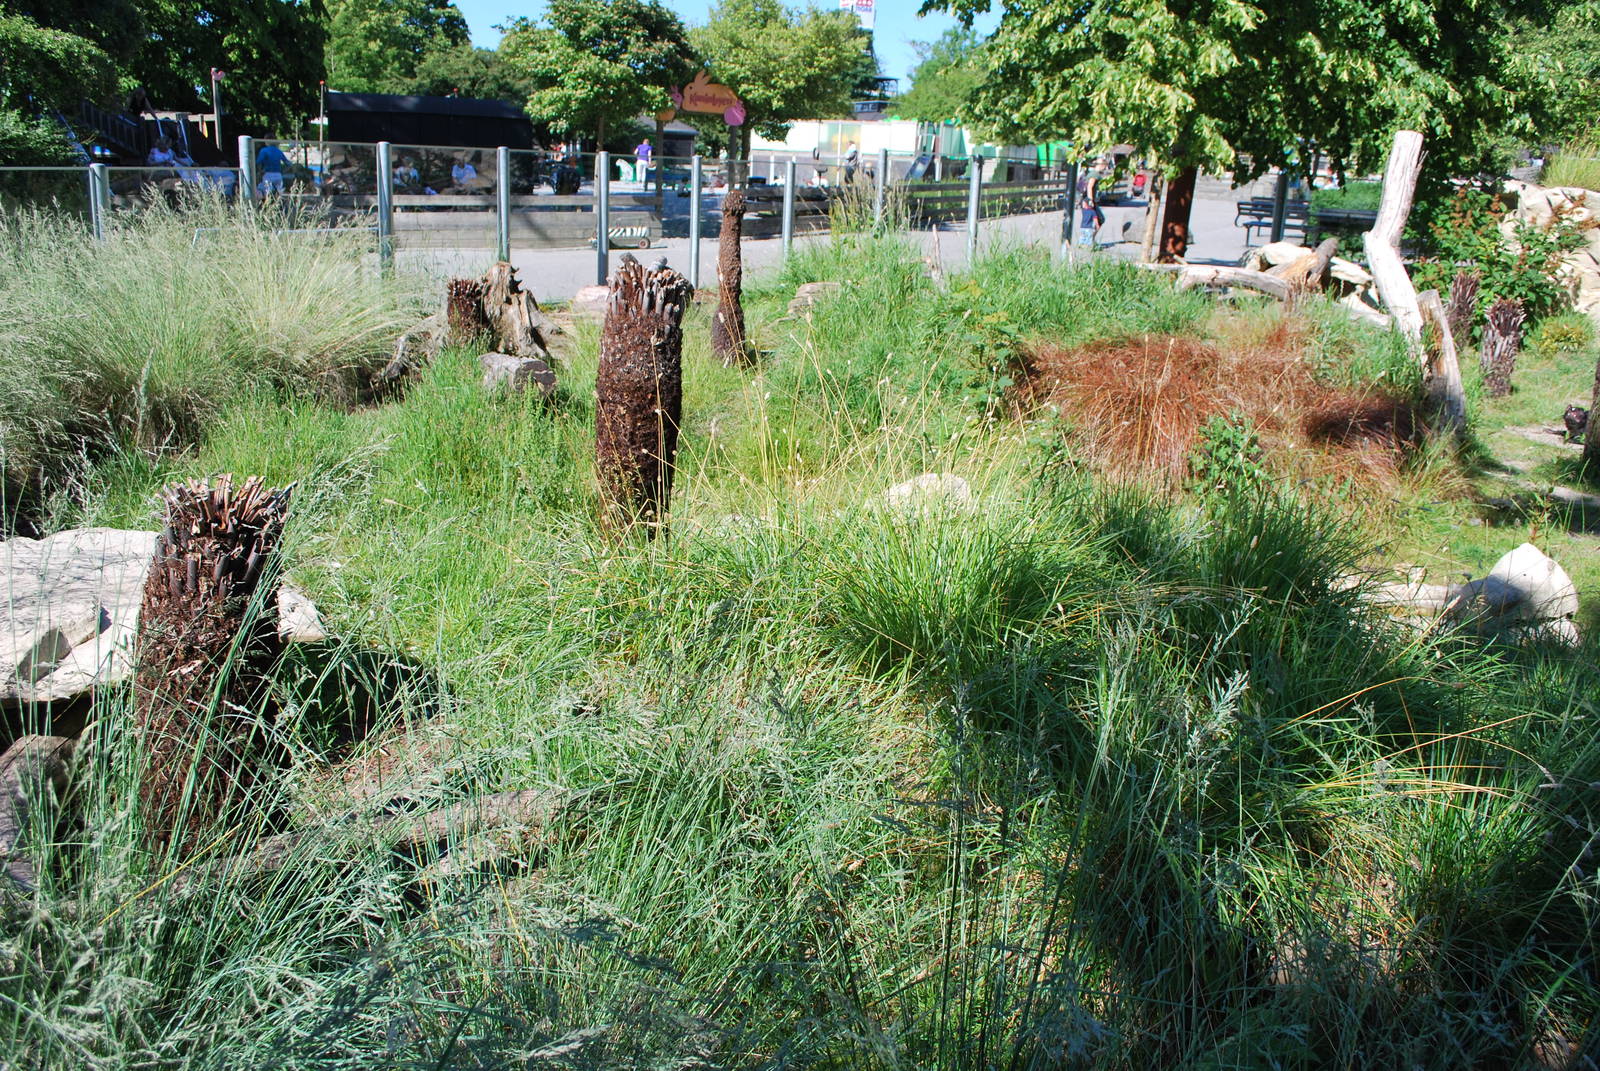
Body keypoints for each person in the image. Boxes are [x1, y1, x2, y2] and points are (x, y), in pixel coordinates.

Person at [1076, 162, 1103, 248]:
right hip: (1088, 201)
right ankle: (1089, 241)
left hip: (1086, 200)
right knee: (1097, 219)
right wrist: (1090, 200)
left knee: (1089, 221)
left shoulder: (1091, 173)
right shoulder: (1094, 174)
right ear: (1100, 165)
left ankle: (1087, 241)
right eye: (1104, 165)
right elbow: (1090, 186)